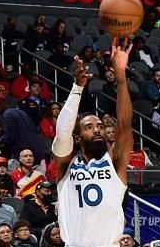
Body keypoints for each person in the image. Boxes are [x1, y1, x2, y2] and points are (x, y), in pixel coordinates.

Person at [52, 38, 133, 246]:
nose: (97, 129)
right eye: (89, 127)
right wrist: (77, 88)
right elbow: (62, 132)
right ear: (77, 138)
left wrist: (121, 77)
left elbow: (124, 124)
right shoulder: (65, 165)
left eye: (99, 126)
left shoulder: (115, 162)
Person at [0, 95, 45, 164]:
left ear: (0, 103)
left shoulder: (7, 115)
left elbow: (8, 138)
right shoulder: (22, 112)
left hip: (23, 155)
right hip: (35, 152)